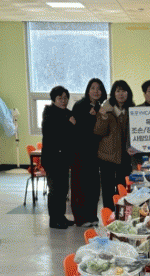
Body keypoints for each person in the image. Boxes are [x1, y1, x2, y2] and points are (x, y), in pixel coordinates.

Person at [94, 80, 136, 211]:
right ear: (113, 94)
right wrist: (103, 116)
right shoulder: (106, 110)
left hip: (126, 156)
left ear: (128, 93)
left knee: (123, 187)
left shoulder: (133, 110)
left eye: (124, 91)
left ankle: (122, 215)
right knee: (108, 189)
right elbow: (99, 131)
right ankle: (109, 215)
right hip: (108, 156)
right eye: (118, 91)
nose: (121, 94)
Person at [70, 78, 107, 227]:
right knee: (80, 185)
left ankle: (92, 215)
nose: (96, 91)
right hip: (80, 152)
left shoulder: (100, 106)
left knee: (93, 185)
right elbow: (77, 128)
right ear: (88, 90)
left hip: (94, 153)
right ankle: (81, 218)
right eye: (93, 88)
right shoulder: (80, 105)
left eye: (99, 88)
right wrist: (89, 116)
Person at [41, 85, 76, 229]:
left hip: (64, 158)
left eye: (66, 98)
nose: (63, 101)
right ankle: (54, 220)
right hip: (52, 158)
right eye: (60, 98)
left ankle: (61, 216)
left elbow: (71, 133)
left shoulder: (67, 113)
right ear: (53, 99)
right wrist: (69, 124)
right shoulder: (49, 113)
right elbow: (55, 134)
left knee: (63, 190)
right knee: (55, 190)